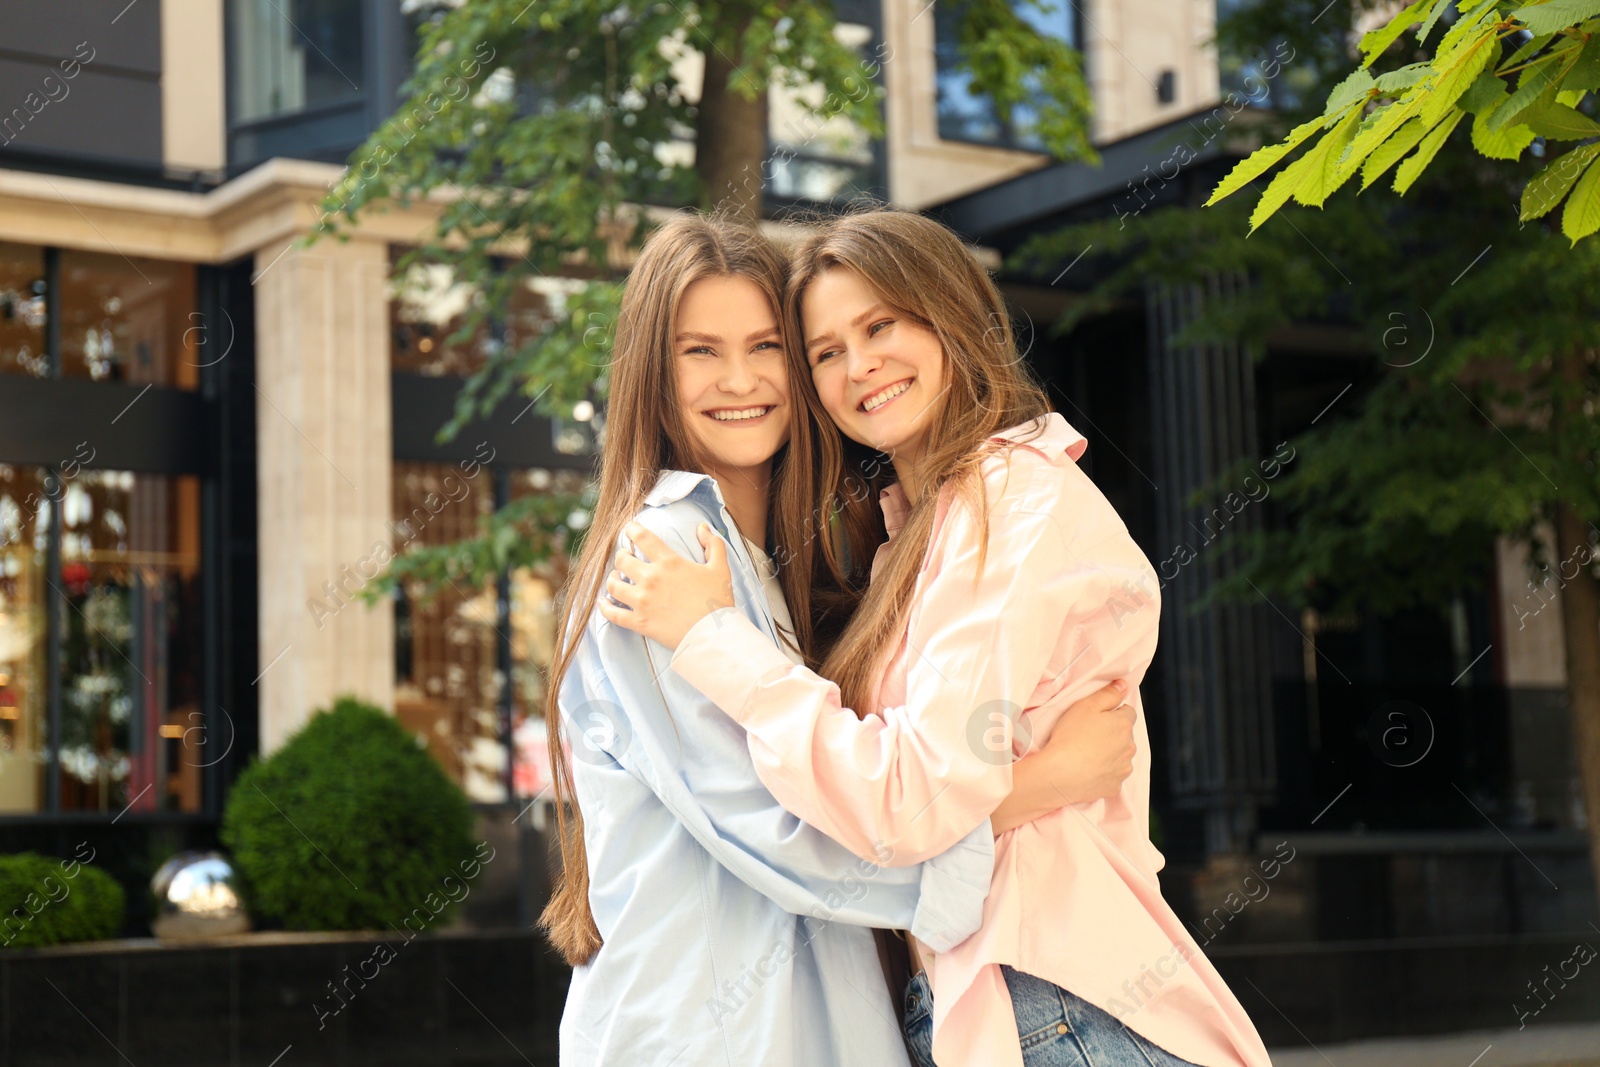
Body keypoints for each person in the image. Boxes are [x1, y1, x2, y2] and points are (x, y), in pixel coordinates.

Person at [601, 208, 1273, 1067]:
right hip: (980, 1005)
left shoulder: (1013, 507)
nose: (860, 365)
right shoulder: (914, 538)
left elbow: (906, 801)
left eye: (880, 324)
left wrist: (712, 637)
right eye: (825, 351)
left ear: (950, 314)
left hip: (1059, 1000)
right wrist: (1044, 779)